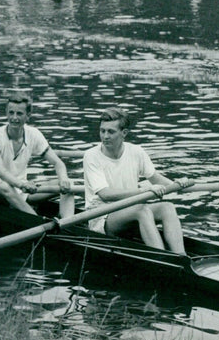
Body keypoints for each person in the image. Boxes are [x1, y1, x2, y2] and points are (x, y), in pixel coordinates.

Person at [82, 107, 191, 254]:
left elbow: (155, 178)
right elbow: (105, 194)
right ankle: (162, 258)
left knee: (168, 207)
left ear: (124, 133)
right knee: (142, 209)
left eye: (111, 132)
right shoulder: (91, 156)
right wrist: (142, 191)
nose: (105, 136)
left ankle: (181, 257)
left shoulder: (136, 151)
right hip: (101, 216)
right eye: (102, 131)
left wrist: (177, 184)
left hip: (130, 210)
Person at [0, 91, 74, 217]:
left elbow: (58, 163)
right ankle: (37, 221)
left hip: (22, 191)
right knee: (4, 186)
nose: (14, 118)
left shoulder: (33, 134)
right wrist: (22, 184)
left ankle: (66, 223)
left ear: (28, 116)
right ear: (6, 113)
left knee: (69, 184)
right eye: (11, 112)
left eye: (19, 113)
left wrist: (63, 179)